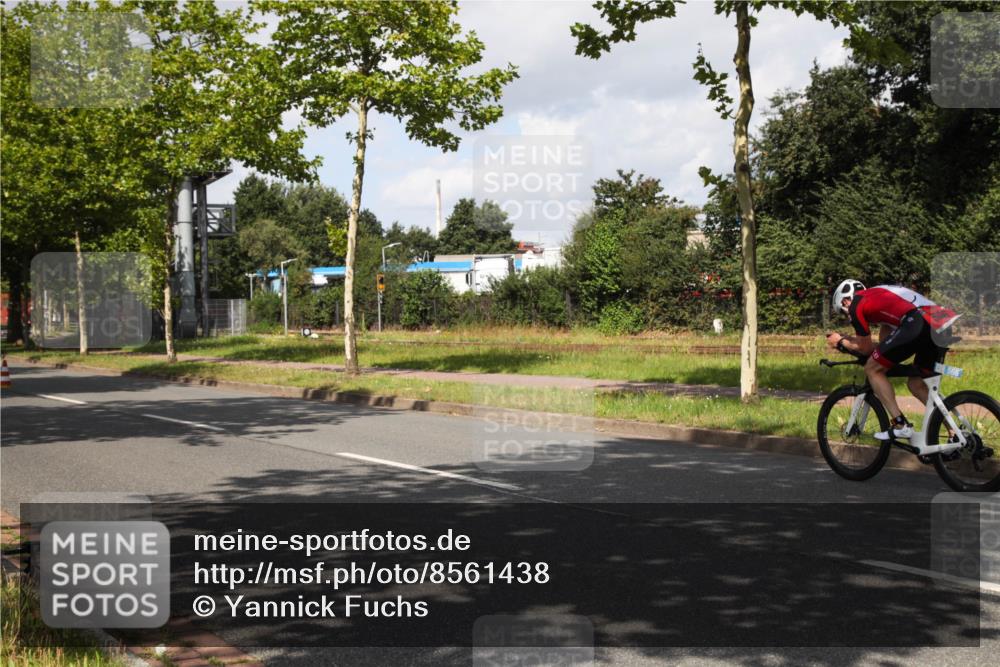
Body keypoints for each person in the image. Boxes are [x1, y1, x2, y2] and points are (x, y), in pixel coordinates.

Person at [826, 280, 960, 441]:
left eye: (843, 311)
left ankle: (900, 425)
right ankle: (955, 434)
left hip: (918, 321)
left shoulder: (855, 304)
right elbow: (884, 347)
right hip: (940, 321)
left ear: (845, 301)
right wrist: (868, 350)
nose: (847, 316)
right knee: (917, 384)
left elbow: (865, 348)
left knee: (872, 369)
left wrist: (841, 341)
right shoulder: (880, 295)